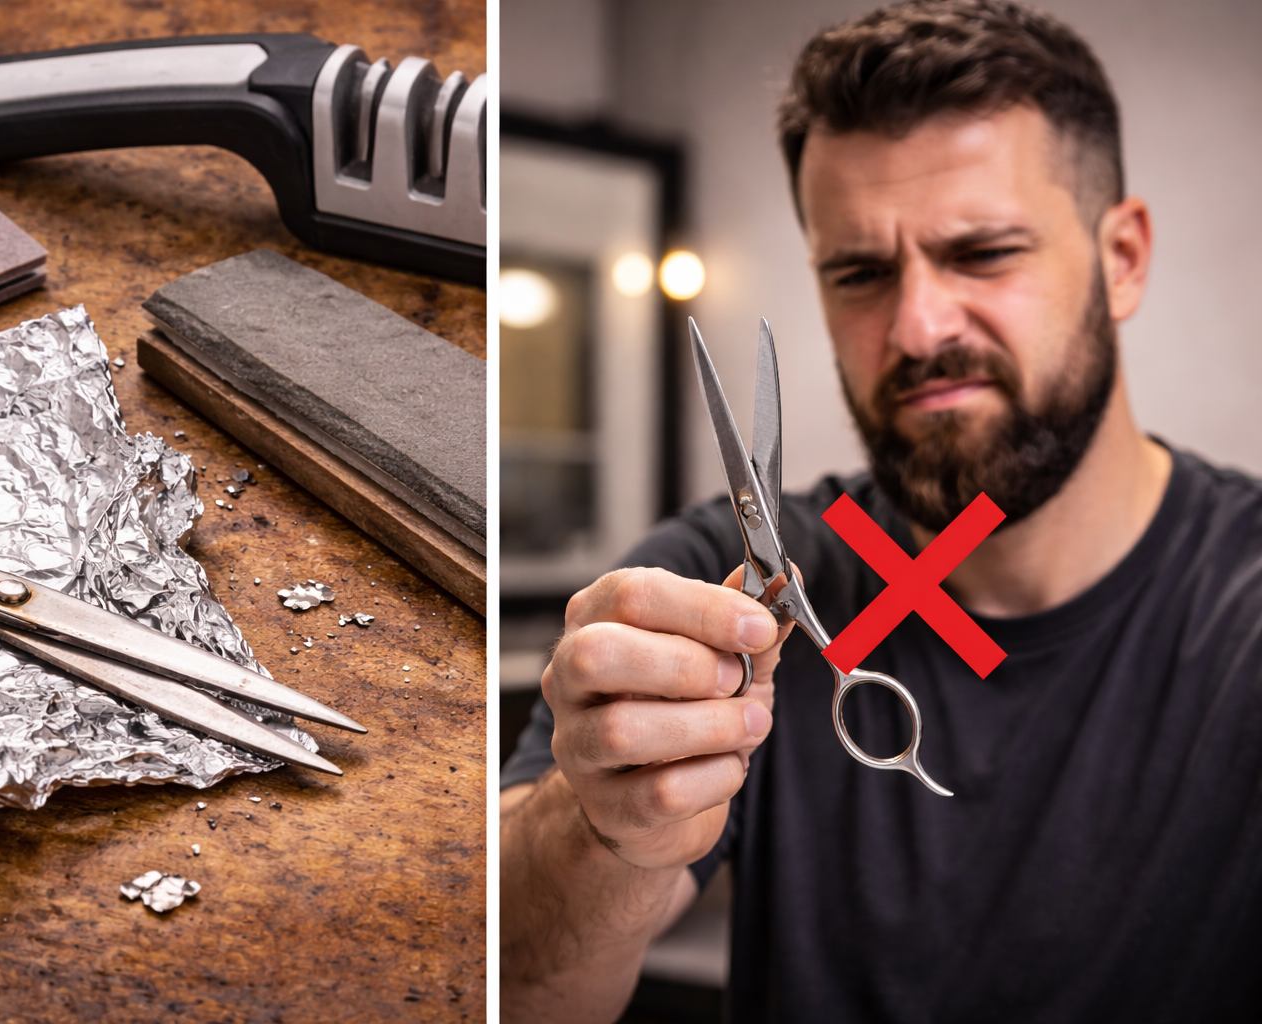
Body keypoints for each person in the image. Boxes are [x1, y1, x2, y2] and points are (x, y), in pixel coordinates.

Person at [498, 2, 1262, 1021]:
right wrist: (598, 832)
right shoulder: (721, 575)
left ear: (1122, 257)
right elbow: (511, 985)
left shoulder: (1242, 609)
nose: (915, 327)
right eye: (859, 272)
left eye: (984, 252)